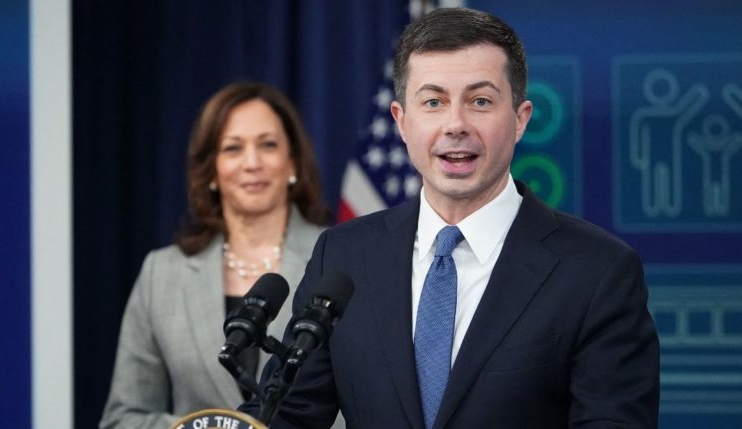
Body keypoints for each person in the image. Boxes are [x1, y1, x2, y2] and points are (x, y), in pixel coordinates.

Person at [240, 7, 660, 428]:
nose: (455, 124)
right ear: (402, 123)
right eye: (434, 102)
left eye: (480, 101)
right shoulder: (344, 255)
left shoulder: (597, 271)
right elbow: (286, 414)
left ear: (520, 119)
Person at [99, 82, 333, 428]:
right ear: (210, 170)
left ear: (293, 161)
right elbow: (122, 419)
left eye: (268, 145)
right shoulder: (161, 275)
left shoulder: (338, 259)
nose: (252, 163)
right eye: (233, 148)